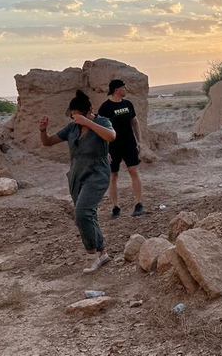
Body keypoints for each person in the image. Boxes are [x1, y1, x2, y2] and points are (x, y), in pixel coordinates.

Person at [39, 90, 116, 274]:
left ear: (88, 111)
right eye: (72, 113)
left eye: (76, 113)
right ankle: (102, 253)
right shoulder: (71, 128)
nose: (73, 117)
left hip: (97, 174)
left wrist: (88, 123)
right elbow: (48, 142)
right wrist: (43, 130)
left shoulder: (101, 122)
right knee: (89, 215)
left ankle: (91, 257)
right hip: (76, 175)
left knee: (82, 213)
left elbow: (111, 136)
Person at [98, 79, 144, 218]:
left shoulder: (128, 104)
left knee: (134, 171)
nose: (126, 89)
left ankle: (139, 204)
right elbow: (100, 130)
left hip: (129, 144)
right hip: (112, 146)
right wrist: (104, 150)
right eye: (124, 87)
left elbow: (134, 122)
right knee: (113, 176)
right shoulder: (105, 108)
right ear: (117, 89)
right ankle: (115, 207)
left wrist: (139, 141)